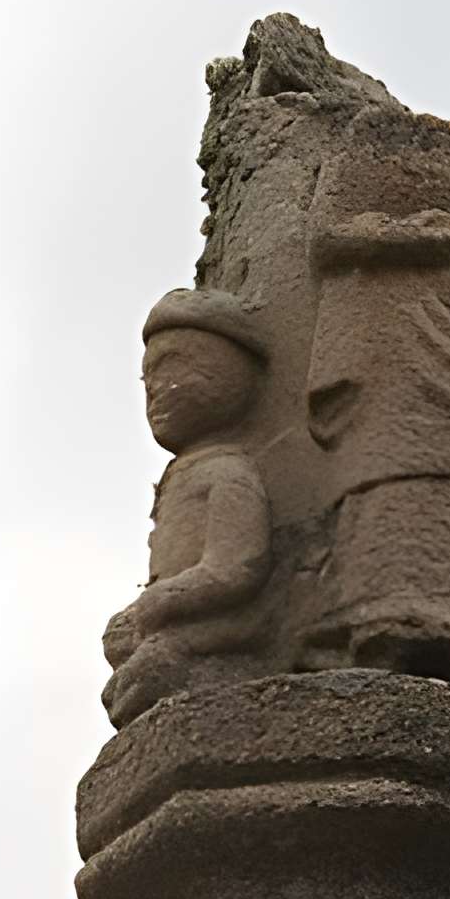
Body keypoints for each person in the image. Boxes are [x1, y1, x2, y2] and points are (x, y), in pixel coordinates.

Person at [101, 290, 272, 729]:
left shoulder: (227, 471)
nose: (157, 388)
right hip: (178, 621)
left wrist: (159, 603)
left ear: (226, 372)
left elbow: (237, 567)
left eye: (172, 367)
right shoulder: (182, 477)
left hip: (225, 624)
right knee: (126, 676)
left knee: (151, 673)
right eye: (147, 378)